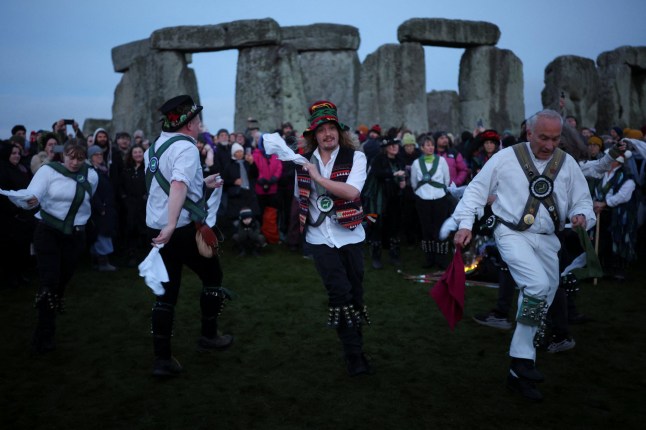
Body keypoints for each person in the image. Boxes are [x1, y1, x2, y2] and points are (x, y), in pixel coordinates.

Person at [451, 109, 595, 401]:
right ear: (529, 133)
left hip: (549, 241)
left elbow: (583, 200)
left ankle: (519, 372)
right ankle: (521, 361)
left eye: (555, 139)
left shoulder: (566, 164)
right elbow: (476, 192)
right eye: (543, 137)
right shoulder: (505, 159)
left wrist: (581, 216)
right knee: (537, 287)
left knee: (545, 294)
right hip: (511, 234)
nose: (549, 144)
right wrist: (465, 224)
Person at [144, 95, 232, 377]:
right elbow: (179, 184)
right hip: (179, 228)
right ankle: (208, 335)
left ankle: (162, 359)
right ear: (189, 124)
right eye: (197, 120)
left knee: (165, 294)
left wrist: (202, 183)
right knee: (213, 276)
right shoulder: (186, 148)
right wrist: (172, 225)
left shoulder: (153, 149)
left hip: (156, 228)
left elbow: (168, 185)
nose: (200, 124)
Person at [294, 100, 372, 376]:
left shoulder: (356, 157)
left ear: (340, 131)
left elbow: (352, 192)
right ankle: (354, 355)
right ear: (313, 135)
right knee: (340, 294)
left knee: (356, 295)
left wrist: (318, 177)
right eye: (321, 130)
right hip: (319, 239)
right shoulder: (302, 163)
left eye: (331, 128)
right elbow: (299, 196)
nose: (327, 134)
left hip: (350, 235)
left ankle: (357, 346)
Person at [23, 141, 99, 353]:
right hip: (48, 231)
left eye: (79, 158)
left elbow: (88, 200)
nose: (74, 162)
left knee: (60, 285)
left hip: (75, 236)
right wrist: (30, 200)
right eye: (70, 157)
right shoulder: (48, 171)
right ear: (62, 155)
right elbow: (33, 193)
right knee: (49, 282)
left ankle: (45, 331)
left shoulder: (91, 175)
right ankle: (43, 335)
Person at [363, 137, 406, 268]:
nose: (395, 147)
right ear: (386, 148)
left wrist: (402, 180)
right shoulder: (378, 159)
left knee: (394, 227)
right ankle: (376, 258)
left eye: (396, 145)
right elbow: (377, 173)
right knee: (376, 227)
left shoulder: (399, 160)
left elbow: (402, 175)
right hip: (377, 200)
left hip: (394, 198)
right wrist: (393, 174)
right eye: (391, 146)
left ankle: (394, 255)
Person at [410, 133, 451, 268]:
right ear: (421, 147)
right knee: (426, 229)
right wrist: (422, 192)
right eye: (427, 145)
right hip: (423, 199)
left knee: (440, 229)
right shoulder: (416, 163)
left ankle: (441, 259)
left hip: (440, 198)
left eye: (432, 145)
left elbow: (446, 179)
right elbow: (414, 182)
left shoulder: (441, 161)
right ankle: (429, 259)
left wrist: (440, 191)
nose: (430, 147)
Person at [0, 142, 34, 288]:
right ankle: (10, 276)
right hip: (9, 217)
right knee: (10, 249)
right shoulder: (3, 170)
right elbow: (3, 194)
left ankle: (20, 274)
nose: (17, 156)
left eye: (18, 153)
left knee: (22, 247)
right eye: (13, 153)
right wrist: (14, 210)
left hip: (23, 215)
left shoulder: (20, 169)